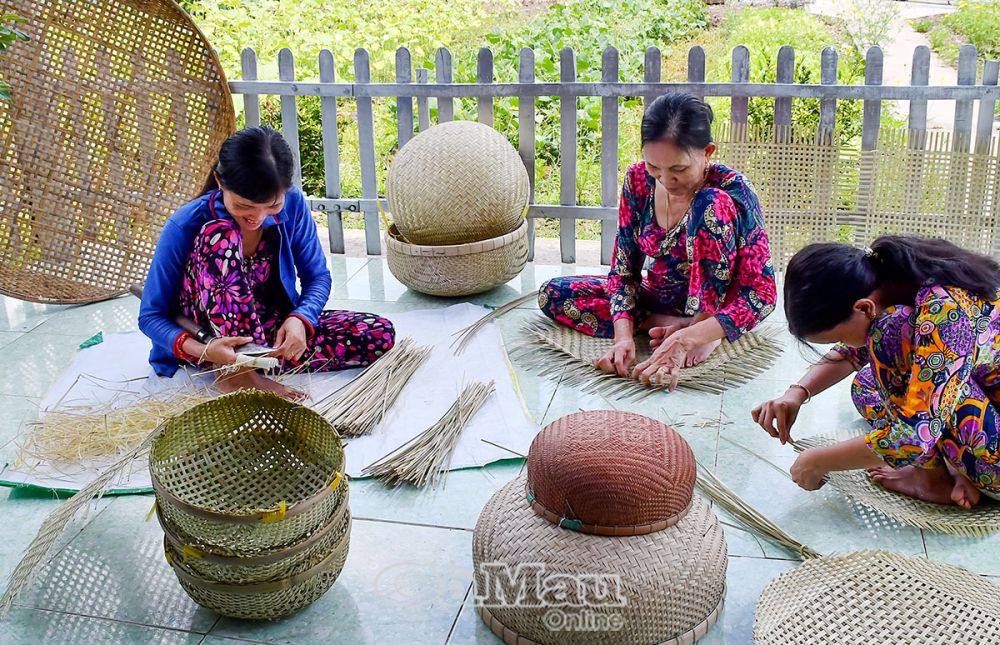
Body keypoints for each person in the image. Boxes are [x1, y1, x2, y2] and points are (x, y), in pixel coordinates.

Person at [537, 92, 776, 390]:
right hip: (659, 296)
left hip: (715, 304)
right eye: (654, 167)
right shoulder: (638, 181)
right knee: (552, 294)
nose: (665, 179)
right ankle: (668, 322)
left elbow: (762, 296)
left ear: (708, 152)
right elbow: (623, 272)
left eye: (678, 169)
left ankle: (704, 329)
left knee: (709, 204)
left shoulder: (733, 190)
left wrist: (688, 338)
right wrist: (623, 337)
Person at [138, 126, 395, 400]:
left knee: (378, 333)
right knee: (220, 236)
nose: (257, 218)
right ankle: (235, 375)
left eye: (272, 206)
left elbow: (317, 277)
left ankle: (259, 364)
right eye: (244, 206)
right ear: (219, 180)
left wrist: (300, 319)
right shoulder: (187, 223)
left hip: (268, 335)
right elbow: (151, 316)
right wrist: (204, 350)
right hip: (213, 343)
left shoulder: (293, 203)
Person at [753, 236, 1000, 509]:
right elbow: (852, 354)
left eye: (843, 336)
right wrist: (796, 393)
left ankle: (932, 478)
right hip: (983, 401)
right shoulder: (898, 280)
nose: (846, 345)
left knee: (889, 335)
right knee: (866, 385)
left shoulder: (943, 311)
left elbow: (914, 437)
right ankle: (956, 464)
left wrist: (816, 462)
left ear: (864, 307)